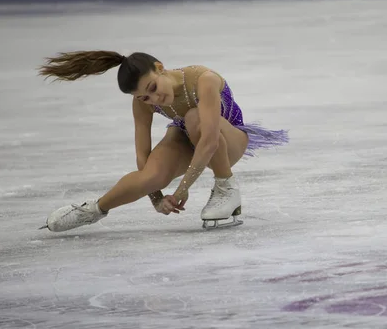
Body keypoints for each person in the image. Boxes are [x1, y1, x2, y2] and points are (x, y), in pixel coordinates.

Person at [37, 50, 289, 232]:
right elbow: (142, 157)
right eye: (145, 97)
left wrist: (182, 190)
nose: (154, 99)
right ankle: (92, 210)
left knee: (194, 117)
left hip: (226, 139)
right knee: (151, 174)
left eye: (153, 87)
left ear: (160, 67)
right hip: (185, 137)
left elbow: (210, 139)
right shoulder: (141, 103)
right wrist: (156, 197)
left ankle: (226, 187)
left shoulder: (203, 80)